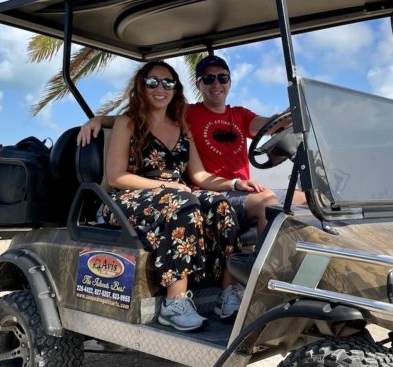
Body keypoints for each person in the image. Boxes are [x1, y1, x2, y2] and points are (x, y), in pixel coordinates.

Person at [79, 55, 304, 236]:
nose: (216, 84)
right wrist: (100, 120)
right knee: (267, 204)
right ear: (199, 84)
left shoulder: (240, 115)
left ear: (229, 82)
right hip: (208, 190)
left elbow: (268, 125)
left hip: (238, 187)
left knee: (308, 199)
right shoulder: (187, 113)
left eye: (222, 78)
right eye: (208, 79)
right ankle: (262, 278)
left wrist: (294, 115)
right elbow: (147, 115)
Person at [101, 61, 244, 331]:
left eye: (168, 83)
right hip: (129, 198)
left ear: (176, 89)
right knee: (184, 205)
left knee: (221, 206)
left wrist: (235, 184)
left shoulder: (181, 126)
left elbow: (200, 176)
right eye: (152, 82)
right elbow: (116, 177)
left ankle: (227, 293)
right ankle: (174, 302)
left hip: (177, 196)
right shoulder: (128, 122)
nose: (160, 88)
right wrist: (165, 188)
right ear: (141, 87)